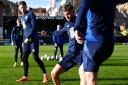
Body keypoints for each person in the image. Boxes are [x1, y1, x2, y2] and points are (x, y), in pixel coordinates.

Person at [74, 0, 128, 85]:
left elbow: (83, 8)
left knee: (90, 78)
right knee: (82, 71)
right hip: (108, 44)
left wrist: (77, 28)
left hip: (93, 43)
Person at [51, 4, 86, 85]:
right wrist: (48, 33)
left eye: (69, 14)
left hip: (82, 53)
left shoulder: (80, 21)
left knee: (83, 78)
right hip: (70, 54)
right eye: (66, 14)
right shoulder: (66, 25)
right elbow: (59, 32)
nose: (67, 16)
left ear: (73, 12)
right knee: (54, 74)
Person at [16, 1, 48, 83]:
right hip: (26, 41)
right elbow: (25, 30)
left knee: (35, 57)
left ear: (26, 7)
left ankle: (45, 75)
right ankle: (25, 76)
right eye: (21, 8)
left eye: (23, 7)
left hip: (33, 39)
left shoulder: (31, 14)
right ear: (19, 8)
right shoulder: (21, 18)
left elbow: (34, 26)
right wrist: (24, 40)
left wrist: (29, 37)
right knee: (24, 57)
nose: (22, 9)